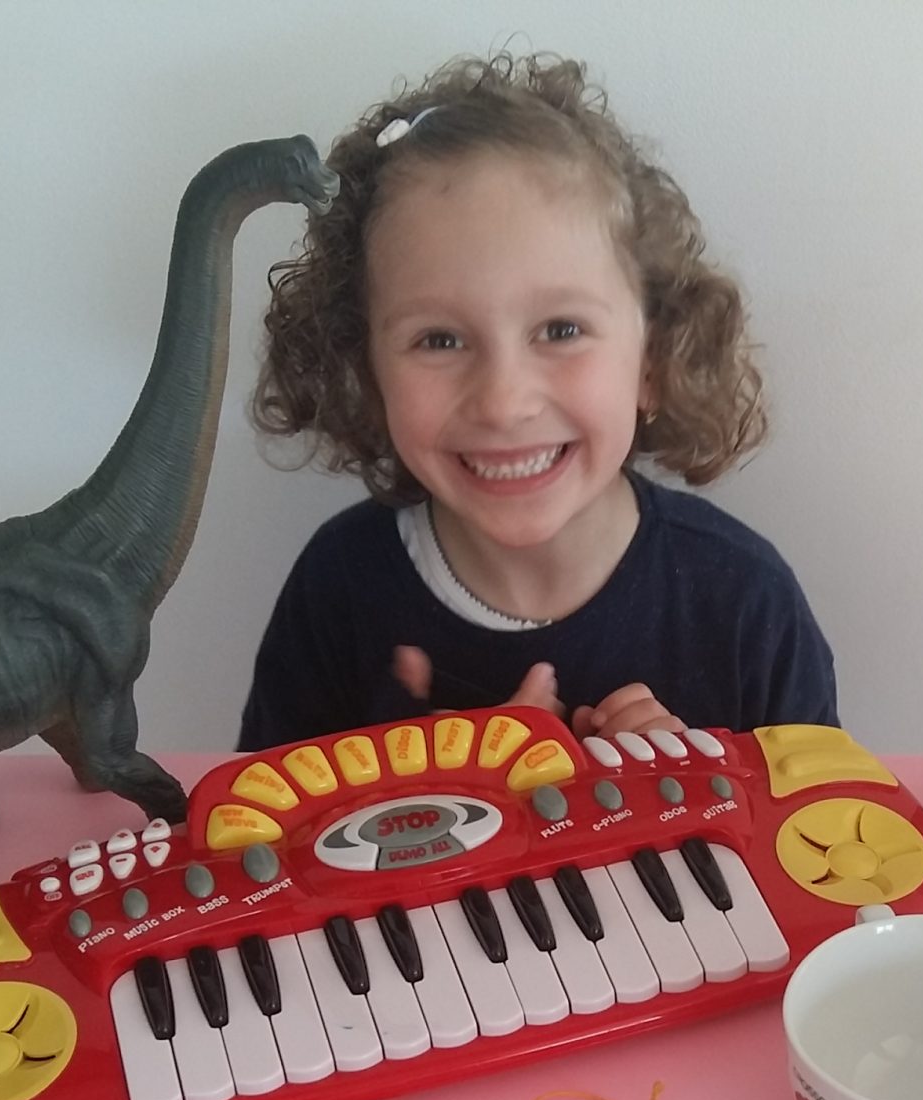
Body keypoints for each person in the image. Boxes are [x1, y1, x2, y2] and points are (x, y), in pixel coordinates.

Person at [237, 52, 839, 751]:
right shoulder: (339, 591)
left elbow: (825, 821)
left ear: (653, 359)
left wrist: (684, 790)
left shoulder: (746, 605)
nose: (503, 401)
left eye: (561, 330)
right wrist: (452, 786)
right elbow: (260, 818)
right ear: (364, 369)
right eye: (439, 339)